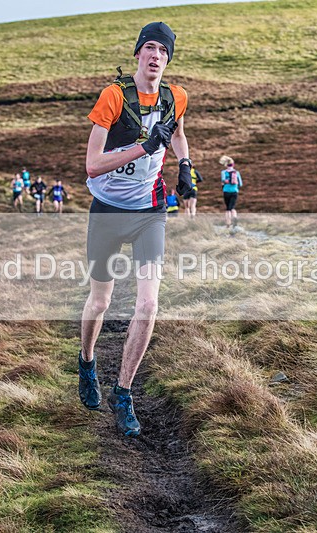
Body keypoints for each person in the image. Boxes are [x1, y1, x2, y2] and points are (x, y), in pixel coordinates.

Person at [79, 21, 192, 437]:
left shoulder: (176, 97)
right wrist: (144, 146)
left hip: (150, 212)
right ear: (137, 55)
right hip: (107, 209)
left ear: (168, 59)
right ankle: (87, 361)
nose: (156, 56)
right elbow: (92, 164)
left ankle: (123, 392)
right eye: (149, 48)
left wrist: (186, 165)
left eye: (163, 50)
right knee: (100, 302)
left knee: (147, 306)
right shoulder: (114, 96)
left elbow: (177, 132)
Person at [220, 156, 242, 228]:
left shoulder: (223, 172)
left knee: (228, 209)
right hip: (234, 191)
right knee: (232, 208)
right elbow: (240, 184)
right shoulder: (237, 172)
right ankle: (235, 220)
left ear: (226, 165)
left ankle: (228, 224)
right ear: (233, 164)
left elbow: (223, 181)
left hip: (226, 191)